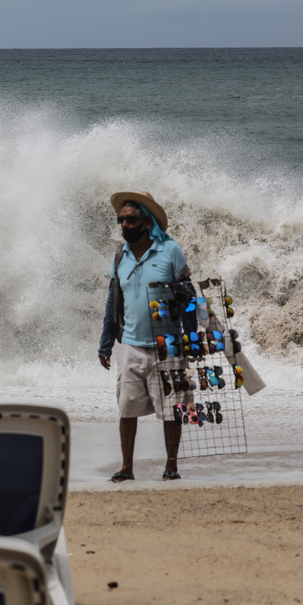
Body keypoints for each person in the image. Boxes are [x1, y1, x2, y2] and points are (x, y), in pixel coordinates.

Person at [98, 191, 193, 482]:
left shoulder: (171, 251)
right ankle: (127, 467)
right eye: (121, 220)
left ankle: (172, 466)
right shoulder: (119, 255)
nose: (124, 225)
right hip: (131, 346)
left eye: (131, 219)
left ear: (147, 222)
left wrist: (190, 341)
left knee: (172, 409)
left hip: (168, 346)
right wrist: (105, 342)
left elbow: (190, 297)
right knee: (126, 408)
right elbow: (114, 302)